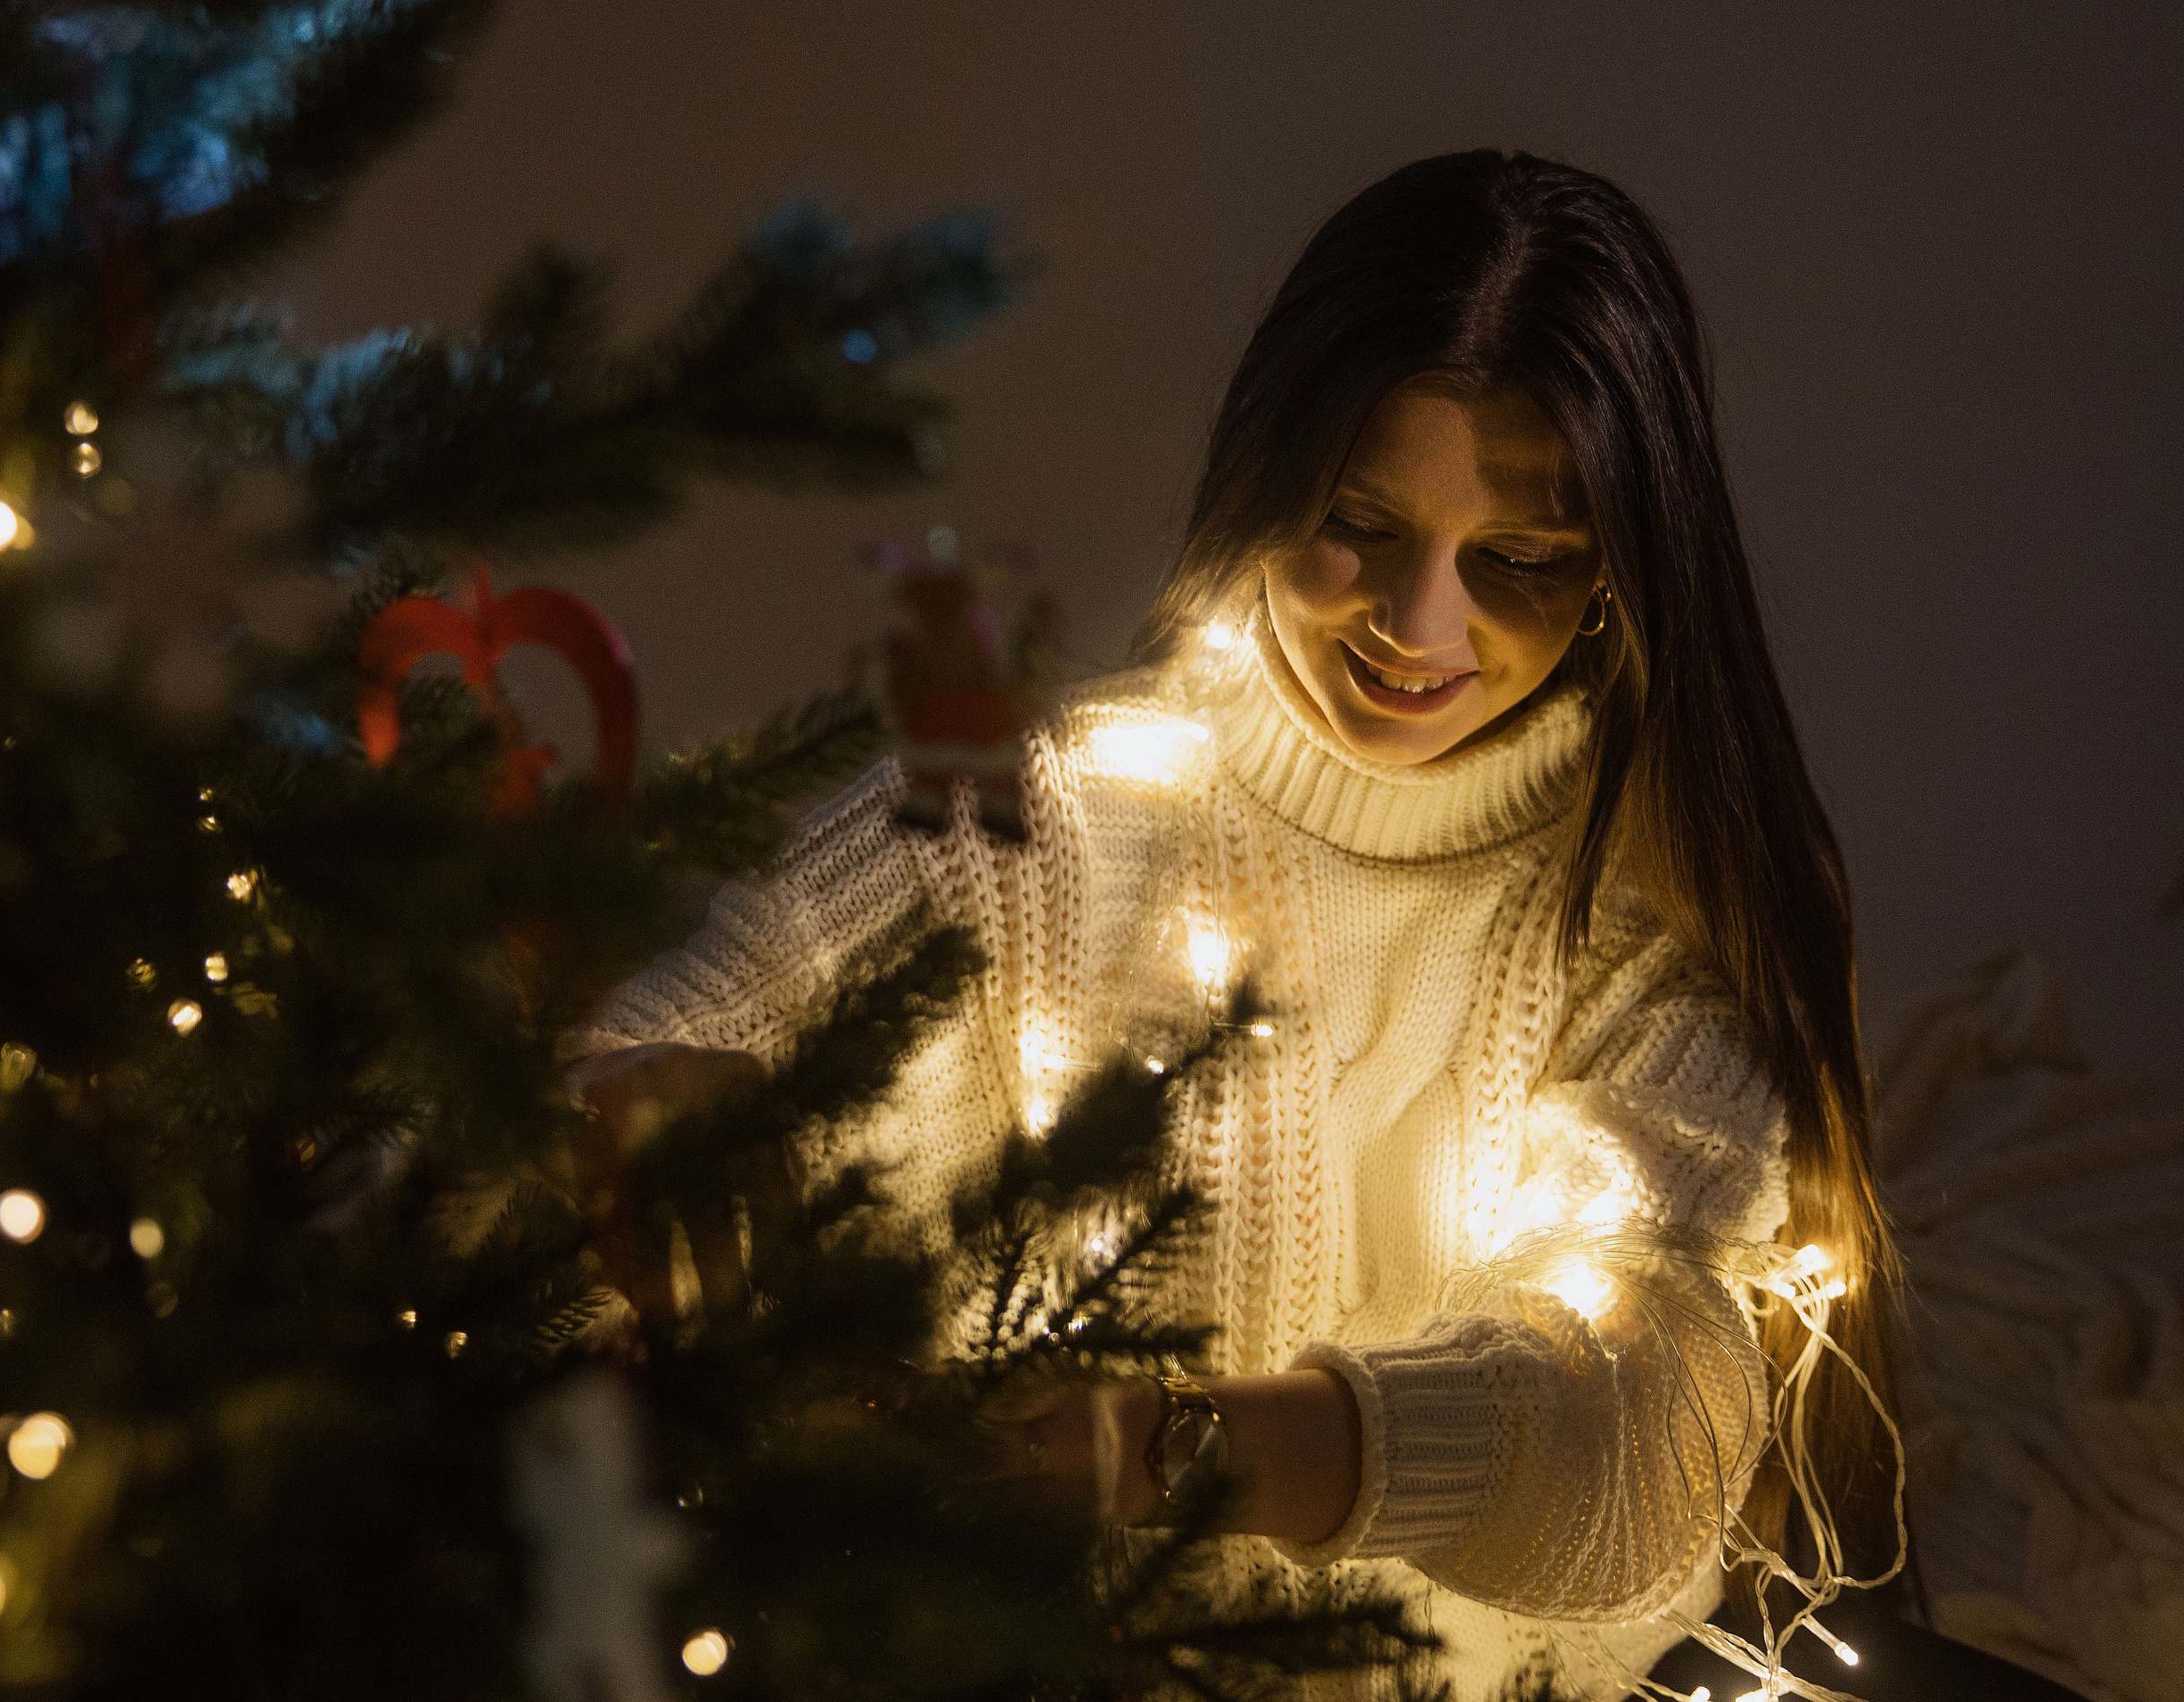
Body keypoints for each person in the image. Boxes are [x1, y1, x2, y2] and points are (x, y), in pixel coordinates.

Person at [573, 151, 1901, 1700]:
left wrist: (1185, 1447)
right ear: (1267, 475)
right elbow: (642, 1053)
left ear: (1619, 571)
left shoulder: (1650, 934)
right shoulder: (1036, 818)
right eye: (1359, 523)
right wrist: (628, 1103)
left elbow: (1645, 1433)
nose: (1419, 625)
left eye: (1519, 560)